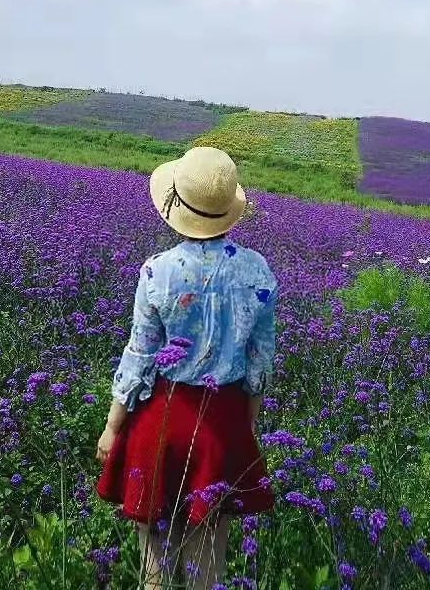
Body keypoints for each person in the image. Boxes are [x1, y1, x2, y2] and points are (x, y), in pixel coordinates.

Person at [96, 146, 278, 589]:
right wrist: (244, 424)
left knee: (154, 571)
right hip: (223, 421)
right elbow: (260, 361)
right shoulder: (257, 271)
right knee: (207, 569)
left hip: (161, 419)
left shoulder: (158, 272)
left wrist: (113, 426)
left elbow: (139, 355)